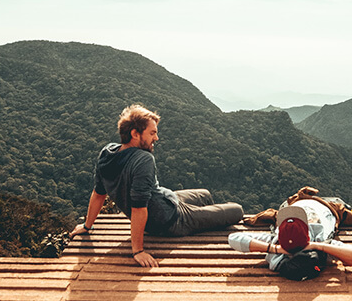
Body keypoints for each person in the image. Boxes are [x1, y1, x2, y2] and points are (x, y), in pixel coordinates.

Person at [70, 104, 244, 267]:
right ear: (135, 134)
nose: (156, 138)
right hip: (170, 220)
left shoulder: (107, 153)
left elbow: (99, 193)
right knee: (237, 210)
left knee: (204, 194)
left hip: (166, 200)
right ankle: (204, 218)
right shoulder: (143, 159)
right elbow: (138, 207)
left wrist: (87, 225)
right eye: (152, 133)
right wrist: (138, 251)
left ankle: (206, 216)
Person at [228, 197, 352, 274]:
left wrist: (275, 249)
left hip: (293, 203)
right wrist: (317, 245)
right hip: (326, 205)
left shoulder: (276, 241)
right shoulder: (319, 240)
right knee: (340, 202)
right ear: (307, 231)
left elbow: (233, 238)